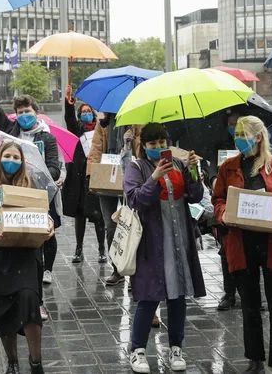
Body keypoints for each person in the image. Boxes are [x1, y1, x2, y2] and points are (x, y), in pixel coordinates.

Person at [212, 116, 272, 374]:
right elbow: (218, 199)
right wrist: (223, 213)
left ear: (258, 136)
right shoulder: (228, 167)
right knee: (249, 305)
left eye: (243, 134)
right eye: (236, 133)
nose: (238, 138)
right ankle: (255, 359)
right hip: (242, 243)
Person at [0, 58, 59, 319]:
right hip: (9, 196)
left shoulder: (48, 137)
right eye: (20, 112)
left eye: (28, 111)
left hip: (37, 195)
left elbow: (54, 167)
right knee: (16, 244)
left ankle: (40, 292)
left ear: (36, 110)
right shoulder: (10, 130)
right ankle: (15, 294)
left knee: (43, 240)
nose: (24, 115)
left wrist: (36, 173)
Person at [123, 123, 206, 373]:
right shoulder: (136, 167)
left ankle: (176, 347)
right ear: (144, 146)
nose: (158, 148)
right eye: (153, 144)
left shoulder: (179, 165)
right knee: (149, 296)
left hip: (179, 239)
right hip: (151, 242)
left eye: (162, 143)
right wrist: (155, 178)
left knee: (178, 295)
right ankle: (138, 349)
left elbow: (195, 196)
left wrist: (193, 171)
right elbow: (135, 200)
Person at [0, 142, 55, 374]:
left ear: (22, 161)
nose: (12, 160)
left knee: (29, 301)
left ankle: (36, 362)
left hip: (25, 254)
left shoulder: (31, 184)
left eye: (16, 157)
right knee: (2, 310)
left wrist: (49, 224)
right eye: (7, 156)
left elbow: (45, 213)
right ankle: (13, 362)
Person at [62, 84, 106, 264]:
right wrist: (69, 103)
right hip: (79, 179)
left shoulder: (101, 129)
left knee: (99, 216)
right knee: (79, 214)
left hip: (96, 175)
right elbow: (69, 119)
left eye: (89, 111)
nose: (86, 113)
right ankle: (78, 250)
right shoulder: (78, 129)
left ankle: (102, 250)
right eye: (83, 111)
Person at [87, 111, 128, 287]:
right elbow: (95, 149)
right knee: (110, 225)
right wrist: (91, 173)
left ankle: (136, 270)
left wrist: (130, 140)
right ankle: (117, 269)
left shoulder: (136, 121)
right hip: (107, 176)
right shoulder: (102, 123)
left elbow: (142, 148)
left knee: (134, 225)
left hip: (132, 175)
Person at [211, 111, 240, 311]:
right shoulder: (221, 146)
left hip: (248, 208)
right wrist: (213, 178)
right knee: (226, 251)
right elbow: (213, 169)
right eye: (231, 124)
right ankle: (229, 293)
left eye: (238, 124)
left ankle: (254, 295)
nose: (234, 127)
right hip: (226, 207)